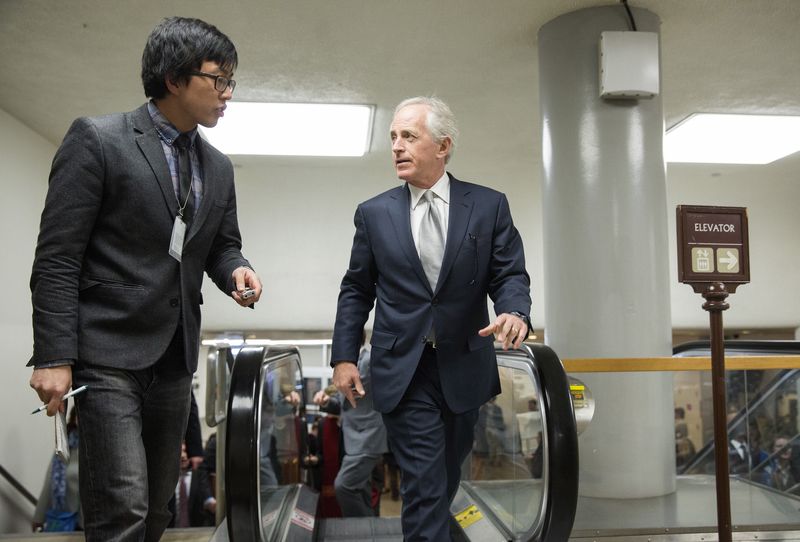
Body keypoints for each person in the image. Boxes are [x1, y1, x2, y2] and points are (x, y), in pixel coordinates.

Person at [27, 17, 262, 542]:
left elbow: (221, 245)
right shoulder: (98, 139)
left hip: (175, 359)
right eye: (217, 80)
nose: (227, 94)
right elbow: (58, 258)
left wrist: (236, 271)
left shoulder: (218, 167)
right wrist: (53, 356)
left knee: (156, 513)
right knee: (123, 512)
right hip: (107, 354)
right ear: (175, 78)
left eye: (230, 83)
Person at [331, 96, 531, 541]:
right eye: (393, 138)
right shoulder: (374, 213)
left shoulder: (487, 205)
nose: (397, 147)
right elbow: (357, 289)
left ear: (443, 146)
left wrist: (514, 311)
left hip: (464, 366)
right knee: (423, 484)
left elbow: (509, 273)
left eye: (409, 136)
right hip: (403, 370)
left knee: (442, 482)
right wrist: (343, 357)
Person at [314, 337, 388, 517]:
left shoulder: (368, 361)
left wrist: (328, 390)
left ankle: (360, 529)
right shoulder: (352, 366)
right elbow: (345, 405)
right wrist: (326, 402)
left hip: (367, 438)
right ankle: (368, 530)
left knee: (343, 487)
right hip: (355, 439)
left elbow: (353, 386)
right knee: (360, 491)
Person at [32, 407, 82, 532]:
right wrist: (38, 518)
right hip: (64, 521)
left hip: (90, 522)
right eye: (78, 415)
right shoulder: (64, 447)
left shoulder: (99, 448)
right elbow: (49, 483)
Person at [168, 442, 216, 528]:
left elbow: (207, 498)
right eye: (179, 452)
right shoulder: (167, 479)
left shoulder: (200, 476)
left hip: (196, 532)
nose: (183, 455)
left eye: (186, 451)